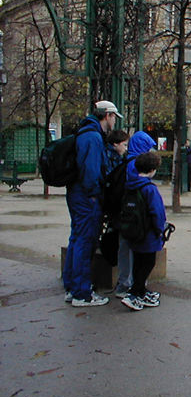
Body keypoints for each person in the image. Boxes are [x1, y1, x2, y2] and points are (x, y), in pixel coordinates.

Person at [63, 100, 122, 307]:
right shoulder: (93, 137)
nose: (114, 122)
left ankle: (72, 287)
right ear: (107, 115)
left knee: (77, 239)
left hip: (78, 194)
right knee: (85, 241)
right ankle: (82, 293)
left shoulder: (85, 132)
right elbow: (91, 170)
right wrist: (95, 194)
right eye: (114, 117)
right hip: (87, 197)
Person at [112, 131, 157, 299]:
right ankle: (131, 286)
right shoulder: (136, 165)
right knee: (132, 250)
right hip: (134, 215)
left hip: (125, 213)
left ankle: (127, 284)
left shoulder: (127, 161)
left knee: (125, 248)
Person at [121, 152, 167, 311]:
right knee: (148, 263)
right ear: (153, 170)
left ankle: (140, 290)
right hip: (148, 232)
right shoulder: (150, 189)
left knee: (138, 262)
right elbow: (157, 212)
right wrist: (160, 229)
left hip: (133, 231)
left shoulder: (130, 186)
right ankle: (134, 293)